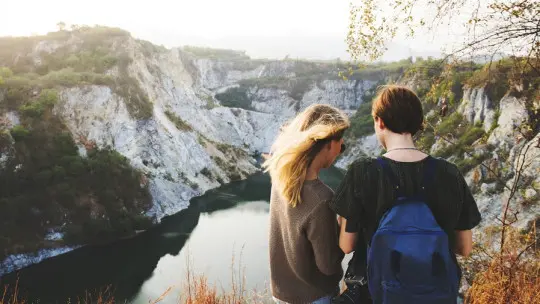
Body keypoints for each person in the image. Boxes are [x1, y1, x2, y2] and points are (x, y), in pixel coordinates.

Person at [330, 85, 481, 303]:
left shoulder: (363, 171)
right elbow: (464, 248)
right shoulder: (450, 173)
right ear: (418, 124)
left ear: (380, 122)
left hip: (376, 294)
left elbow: (347, 245)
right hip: (434, 295)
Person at [264, 104, 349, 304]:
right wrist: (343, 224)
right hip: (314, 297)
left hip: (281, 295)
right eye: (340, 142)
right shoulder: (322, 198)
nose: (341, 147)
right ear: (328, 144)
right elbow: (328, 266)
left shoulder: (281, 177)